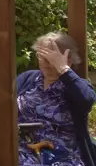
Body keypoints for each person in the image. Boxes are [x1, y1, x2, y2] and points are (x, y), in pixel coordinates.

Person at [17, 32, 96, 166]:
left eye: (52, 58)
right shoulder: (27, 78)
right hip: (22, 151)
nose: (46, 62)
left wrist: (63, 69)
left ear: (68, 60)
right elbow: (2, 102)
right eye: (42, 56)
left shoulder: (73, 85)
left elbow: (87, 100)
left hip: (62, 156)